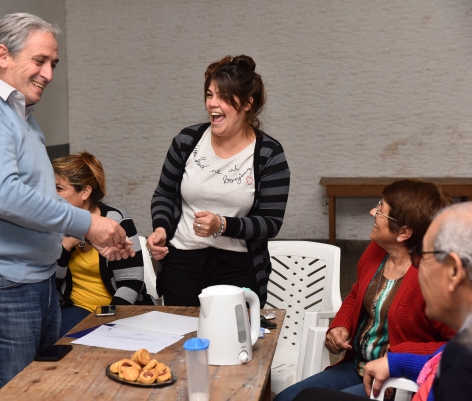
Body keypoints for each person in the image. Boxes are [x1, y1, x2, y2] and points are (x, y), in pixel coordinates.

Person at [0, 13, 134, 399]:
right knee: (16, 394)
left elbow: (38, 200)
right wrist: (87, 224)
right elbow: (6, 197)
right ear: (2, 55)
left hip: (33, 280)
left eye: (53, 64)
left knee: (47, 391)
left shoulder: (23, 116)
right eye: (40, 61)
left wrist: (89, 235)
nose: (48, 73)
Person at [275, 179, 455, 400]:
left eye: (381, 210)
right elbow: (355, 294)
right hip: (357, 365)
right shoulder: (376, 251)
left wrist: (396, 360)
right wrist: (341, 325)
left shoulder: (434, 281)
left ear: (404, 232)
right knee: (285, 398)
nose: (372, 212)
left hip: (396, 381)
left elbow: (459, 347)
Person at [147, 55, 291, 308]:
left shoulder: (268, 153)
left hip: (239, 268)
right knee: (180, 343)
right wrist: (160, 228)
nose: (212, 104)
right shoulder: (187, 140)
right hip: (182, 263)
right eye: (210, 94)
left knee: (232, 342)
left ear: (247, 103)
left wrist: (223, 225)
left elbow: (270, 223)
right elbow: (165, 195)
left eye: (223, 97)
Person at [52, 152, 154, 337]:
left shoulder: (115, 221)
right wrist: (66, 245)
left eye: (58, 188)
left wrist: (107, 319)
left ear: (85, 192)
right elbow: (54, 283)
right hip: (77, 308)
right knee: (63, 347)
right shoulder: (55, 221)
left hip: (118, 306)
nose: (51, 195)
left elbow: (131, 283)